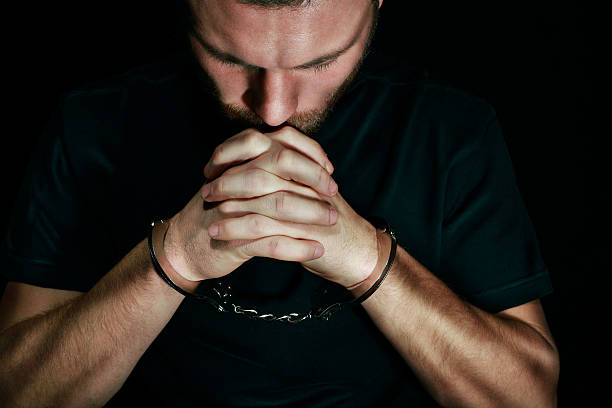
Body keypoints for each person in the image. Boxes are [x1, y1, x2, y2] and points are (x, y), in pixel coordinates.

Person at [0, 0, 560, 406]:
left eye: (319, 63)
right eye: (228, 57)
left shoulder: (450, 130)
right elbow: (20, 393)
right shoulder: (92, 125)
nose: (272, 108)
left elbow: (528, 398)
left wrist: (366, 258)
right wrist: (174, 259)